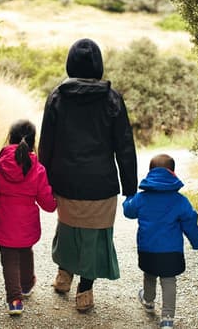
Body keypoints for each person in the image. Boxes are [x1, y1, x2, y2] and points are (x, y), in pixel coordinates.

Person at [38, 38, 138, 312]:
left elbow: (47, 142)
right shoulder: (112, 98)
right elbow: (124, 144)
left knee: (69, 229)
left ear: (71, 63)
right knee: (94, 237)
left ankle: (63, 276)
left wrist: (42, 180)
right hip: (100, 182)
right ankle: (85, 291)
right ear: (98, 65)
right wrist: (130, 184)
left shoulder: (57, 96)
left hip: (65, 180)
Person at [0, 119, 57, 315]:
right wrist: (54, 203)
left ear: (10, 138)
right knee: (25, 251)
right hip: (27, 222)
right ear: (33, 141)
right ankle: (27, 284)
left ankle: (15, 301)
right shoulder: (37, 168)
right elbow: (46, 200)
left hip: (3, 219)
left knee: (9, 259)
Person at [122, 153, 198, 328]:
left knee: (149, 275)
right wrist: (197, 243)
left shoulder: (142, 197)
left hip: (147, 249)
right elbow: (190, 222)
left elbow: (128, 212)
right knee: (169, 281)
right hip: (171, 251)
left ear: (151, 172)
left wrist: (129, 197)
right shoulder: (180, 201)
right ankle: (167, 318)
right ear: (172, 173)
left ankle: (148, 300)